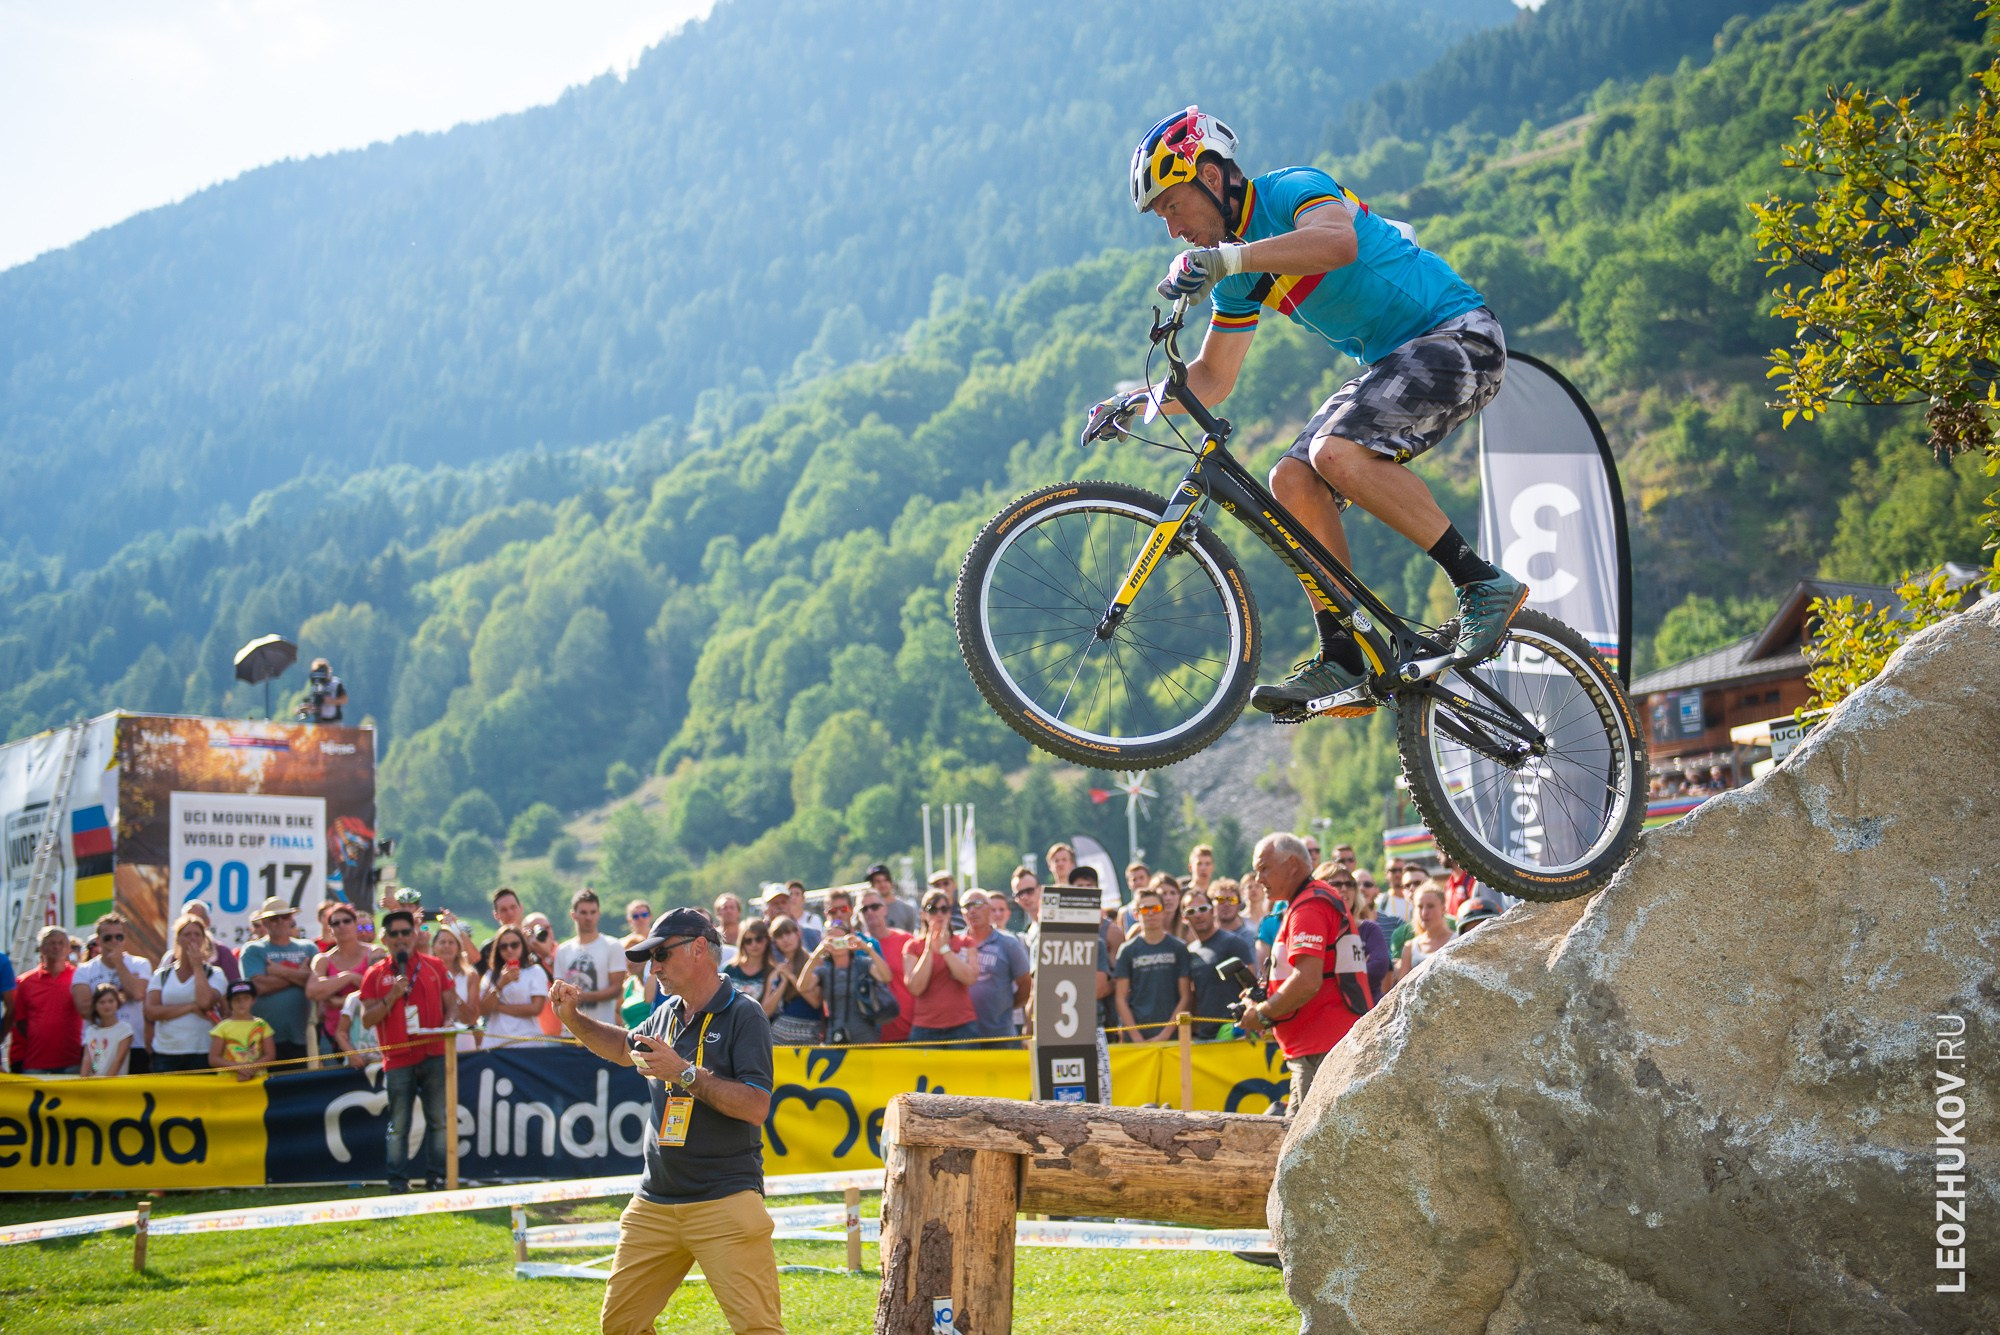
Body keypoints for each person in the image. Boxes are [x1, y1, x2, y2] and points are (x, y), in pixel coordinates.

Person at [1115, 106, 1524, 708]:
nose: (1172, 229)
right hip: (1393, 361)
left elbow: (1337, 242)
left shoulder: (1291, 189)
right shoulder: (1238, 275)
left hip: (1459, 335)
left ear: (1208, 175)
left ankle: (1481, 582)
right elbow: (1212, 377)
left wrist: (1232, 259)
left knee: (1337, 452)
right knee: (1292, 478)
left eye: (1171, 206)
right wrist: (1133, 402)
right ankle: (1344, 657)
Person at [552, 908, 780, 1335]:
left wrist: (685, 1073)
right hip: (654, 1202)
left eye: (661, 955)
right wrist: (574, 1019)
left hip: (724, 1199)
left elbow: (755, 1107)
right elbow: (624, 1048)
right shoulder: (668, 1012)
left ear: (699, 950)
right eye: (649, 959)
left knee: (758, 1329)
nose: (653, 968)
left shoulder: (745, 1015)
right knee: (621, 1326)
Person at [1235, 834, 1374, 1115]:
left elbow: (1307, 980)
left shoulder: (1309, 906)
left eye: (1264, 868)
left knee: (1305, 1150)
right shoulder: (1310, 900)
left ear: (1293, 865)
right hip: (1323, 1047)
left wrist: (1263, 1013)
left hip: (1321, 1051)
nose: (1258, 878)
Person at [360, 909, 454, 1192]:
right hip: (398, 1059)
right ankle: (398, 1182)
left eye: (405, 932)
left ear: (414, 935)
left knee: (438, 1121)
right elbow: (367, 1019)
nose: (401, 938)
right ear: (385, 939)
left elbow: (452, 1003)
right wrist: (392, 996)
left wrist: (447, 1025)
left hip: (435, 1054)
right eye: (394, 934)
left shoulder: (434, 966)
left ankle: (436, 1178)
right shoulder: (375, 974)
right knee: (399, 1125)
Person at [70, 913, 153, 1074]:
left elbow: (137, 993)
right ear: (98, 940)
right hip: (99, 1043)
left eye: (119, 937)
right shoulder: (84, 970)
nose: (114, 942)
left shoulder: (139, 964)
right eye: (108, 938)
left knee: (130, 1095)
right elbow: (86, 1010)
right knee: (97, 1076)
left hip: (134, 1044)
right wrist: (123, 991)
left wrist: (118, 963)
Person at [240, 897, 318, 1065]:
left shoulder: (309, 947)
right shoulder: (253, 950)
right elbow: (258, 987)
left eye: (284, 917)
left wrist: (280, 972)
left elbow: (315, 983)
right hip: (264, 1037)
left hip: (303, 1033)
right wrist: (299, 975)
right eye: (274, 918)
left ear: (291, 919)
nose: (280, 922)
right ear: (265, 923)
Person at [145, 913, 227, 1073]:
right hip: (166, 1051)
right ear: (178, 940)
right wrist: (190, 1007)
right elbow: (151, 1011)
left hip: (202, 1050)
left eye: (197, 934)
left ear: (204, 940)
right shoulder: (161, 975)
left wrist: (197, 966)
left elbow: (204, 1002)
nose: (192, 939)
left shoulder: (215, 974)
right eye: (187, 934)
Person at [1113, 888, 1192, 1042]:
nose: (1150, 914)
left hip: (1172, 1037)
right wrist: (1136, 1037)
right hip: (1136, 1037)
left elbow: (1186, 996)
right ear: (1136, 914)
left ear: (1163, 912)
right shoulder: (1127, 950)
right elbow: (1120, 999)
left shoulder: (1179, 948)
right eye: (1144, 909)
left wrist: (1165, 1035)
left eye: (1155, 908)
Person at [902, 888, 979, 1044]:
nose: (939, 914)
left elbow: (970, 978)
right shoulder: (913, 946)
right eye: (932, 909)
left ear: (950, 913)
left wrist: (945, 950)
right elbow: (915, 987)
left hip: (962, 1027)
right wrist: (929, 949)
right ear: (923, 914)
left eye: (944, 909)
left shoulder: (965, 942)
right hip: (925, 1029)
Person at [800, 920, 894, 1046]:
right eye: (832, 940)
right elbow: (802, 987)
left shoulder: (863, 964)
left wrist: (867, 949)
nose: (837, 944)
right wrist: (817, 954)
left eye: (841, 939)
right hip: (836, 1037)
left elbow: (886, 977)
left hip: (865, 1038)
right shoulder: (824, 971)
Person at [308, 903, 379, 1061]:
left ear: (355, 924)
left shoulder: (374, 952)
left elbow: (379, 990)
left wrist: (341, 1000)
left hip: (369, 1037)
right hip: (331, 1036)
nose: (342, 925)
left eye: (346, 921)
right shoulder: (323, 959)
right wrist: (349, 977)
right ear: (330, 929)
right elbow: (312, 991)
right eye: (335, 923)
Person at [959, 889, 1031, 1044]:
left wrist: (1006, 1006)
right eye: (967, 906)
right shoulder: (955, 943)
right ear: (962, 913)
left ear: (989, 909)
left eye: (978, 904)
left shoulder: (1009, 943)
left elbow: (1025, 984)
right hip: (962, 1034)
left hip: (1000, 1033)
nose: (972, 910)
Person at [1183, 887, 1257, 1039]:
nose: (1198, 915)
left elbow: (1251, 987)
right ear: (1184, 918)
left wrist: (1248, 1029)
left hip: (1236, 1031)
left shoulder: (1233, 943)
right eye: (1191, 911)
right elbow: (1193, 996)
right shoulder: (1190, 951)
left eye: (1202, 909)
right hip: (1205, 1035)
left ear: (1212, 911)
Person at [14, 926, 83, 1074]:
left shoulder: (80, 976)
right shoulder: (25, 982)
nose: (57, 947)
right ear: (42, 948)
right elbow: (20, 1022)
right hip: (36, 1062)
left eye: (61, 943)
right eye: (51, 943)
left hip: (73, 1061)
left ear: (68, 948)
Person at [555, 888, 628, 1027]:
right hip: (570, 1031)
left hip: (603, 1030)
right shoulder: (563, 950)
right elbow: (557, 988)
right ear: (573, 915)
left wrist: (582, 996)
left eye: (592, 912)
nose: (588, 917)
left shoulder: (613, 945)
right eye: (583, 912)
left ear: (598, 914)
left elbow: (617, 989)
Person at [480, 924, 552, 1047]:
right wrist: (500, 985)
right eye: (503, 946)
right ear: (497, 949)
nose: (509, 950)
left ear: (523, 946)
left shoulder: (535, 971)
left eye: (514, 945)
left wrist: (499, 1007)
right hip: (496, 1043)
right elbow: (483, 1009)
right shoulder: (491, 974)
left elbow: (535, 1009)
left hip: (527, 1042)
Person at [1326, 868, 1392, 1000]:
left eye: (1350, 884)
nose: (1344, 888)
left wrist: (1333, 976)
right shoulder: (1317, 931)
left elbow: (1378, 967)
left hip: (1368, 1008)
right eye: (1336, 884)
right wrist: (1360, 967)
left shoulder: (1370, 929)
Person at [858, 887, 914, 1043]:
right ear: (859, 916)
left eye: (874, 907)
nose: (870, 912)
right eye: (864, 909)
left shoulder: (906, 940)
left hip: (909, 1031)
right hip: (872, 1034)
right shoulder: (856, 946)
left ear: (885, 910)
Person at [764, 916, 824, 1046]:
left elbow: (815, 1002)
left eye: (789, 933)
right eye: (779, 936)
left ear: (798, 934)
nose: (785, 939)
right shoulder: (778, 970)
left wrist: (791, 977)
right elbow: (765, 1012)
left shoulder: (814, 962)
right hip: (779, 1037)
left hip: (809, 1033)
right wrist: (782, 983)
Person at [429, 918, 482, 1049]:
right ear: (434, 947)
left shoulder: (470, 975)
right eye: (442, 942)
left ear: (458, 948)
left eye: (451, 942)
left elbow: (471, 1018)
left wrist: (451, 992)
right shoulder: (426, 975)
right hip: (434, 1045)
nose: (447, 946)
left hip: (463, 1044)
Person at [208, 980, 276, 1080]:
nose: (241, 1003)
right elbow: (213, 1059)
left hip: (257, 1079)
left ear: (253, 1000)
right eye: (236, 999)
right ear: (229, 1002)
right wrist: (238, 1068)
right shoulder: (222, 1027)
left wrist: (250, 1069)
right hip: (229, 1081)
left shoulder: (262, 1025)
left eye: (246, 998)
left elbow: (270, 1055)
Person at [722, 921, 784, 1018]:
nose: (754, 944)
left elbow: (767, 1012)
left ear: (767, 940)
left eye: (759, 939)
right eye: (748, 941)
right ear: (742, 943)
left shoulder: (773, 972)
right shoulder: (729, 969)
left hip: (762, 1028)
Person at [1394, 885, 1455, 983]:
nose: (1424, 912)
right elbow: (1402, 988)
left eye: (1430, 906)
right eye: (1420, 907)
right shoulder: (1410, 947)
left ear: (1443, 909)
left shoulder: (1457, 940)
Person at [180, 900, 240, 984]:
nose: (192, 924)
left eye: (198, 919)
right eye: (187, 920)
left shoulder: (223, 954)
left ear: (208, 921)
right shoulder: (170, 959)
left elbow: (235, 986)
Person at [81, 983, 134, 1077]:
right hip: (93, 1085)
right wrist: (82, 1083)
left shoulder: (124, 1029)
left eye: (111, 1001)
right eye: (102, 1002)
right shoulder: (91, 1031)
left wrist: (105, 1083)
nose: (107, 1005)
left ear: (117, 1002)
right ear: (95, 1006)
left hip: (113, 1085)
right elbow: (87, 1059)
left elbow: (119, 1060)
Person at [866, 863, 919, 933]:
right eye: (877, 881)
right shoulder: (865, 911)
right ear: (872, 885)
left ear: (891, 883)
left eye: (885, 880)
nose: (882, 884)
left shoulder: (907, 909)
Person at [301, 656, 348, 723]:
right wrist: (307, 708)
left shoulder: (335, 683)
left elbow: (344, 700)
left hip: (334, 721)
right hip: (319, 721)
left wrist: (329, 700)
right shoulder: (315, 686)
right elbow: (313, 705)